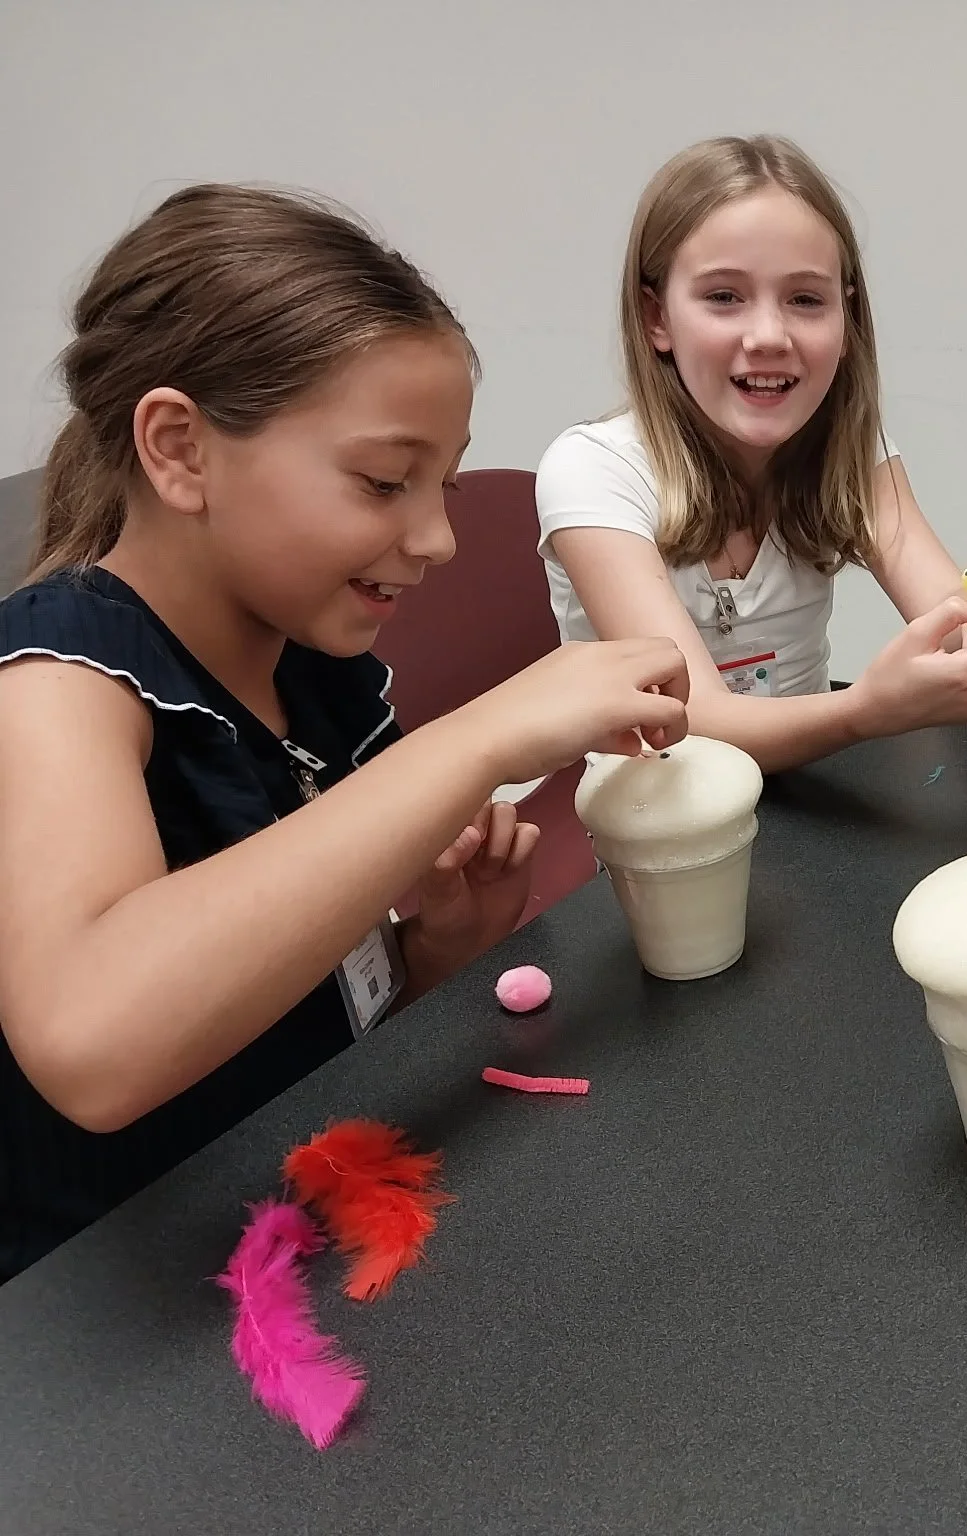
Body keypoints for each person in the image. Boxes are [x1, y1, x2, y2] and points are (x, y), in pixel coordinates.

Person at [0, 185, 689, 1282]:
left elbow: (285, 1007)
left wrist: (432, 955)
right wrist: (475, 740)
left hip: (311, 1231)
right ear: (180, 449)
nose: (438, 537)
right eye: (383, 482)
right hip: (121, 1332)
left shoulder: (317, 679)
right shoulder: (54, 677)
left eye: (445, 485)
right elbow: (94, 1043)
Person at [538, 135, 967, 773]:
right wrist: (866, 711)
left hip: (808, 804)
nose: (769, 336)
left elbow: (947, 614)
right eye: (723, 297)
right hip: (652, 826)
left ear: (845, 320)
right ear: (656, 317)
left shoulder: (852, 448)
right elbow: (692, 722)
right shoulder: (593, 471)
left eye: (805, 299)